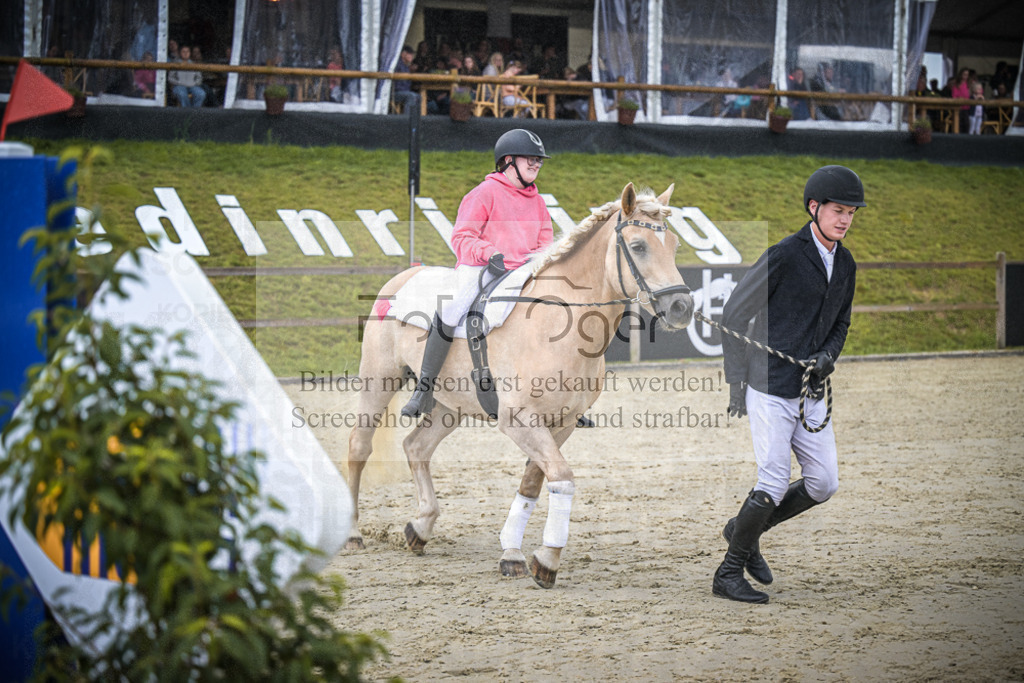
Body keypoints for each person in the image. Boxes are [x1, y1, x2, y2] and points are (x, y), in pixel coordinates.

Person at [713, 165, 866, 604]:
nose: (845, 220)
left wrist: (828, 357)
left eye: (851, 213)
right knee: (775, 479)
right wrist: (736, 381)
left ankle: (743, 530)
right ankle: (727, 574)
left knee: (823, 482)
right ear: (814, 207)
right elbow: (733, 316)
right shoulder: (783, 254)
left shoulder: (847, 263)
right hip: (769, 384)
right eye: (839, 211)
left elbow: (841, 322)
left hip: (810, 389)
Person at [401, 129, 554, 418]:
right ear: (508, 161)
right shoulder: (483, 193)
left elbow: (545, 244)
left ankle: (560, 399)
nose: (536, 164)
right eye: (530, 159)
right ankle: (424, 388)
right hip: (482, 267)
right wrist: (490, 254)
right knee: (453, 306)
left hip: (521, 271)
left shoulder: (539, 202)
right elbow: (462, 236)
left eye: (539, 161)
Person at [392, 44, 417, 112]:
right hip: (395, 92)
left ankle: (416, 120)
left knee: (418, 97)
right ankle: (407, 120)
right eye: (410, 54)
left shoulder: (406, 66)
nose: (412, 56)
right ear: (403, 54)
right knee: (411, 96)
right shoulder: (397, 64)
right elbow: (397, 85)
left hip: (404, 91)